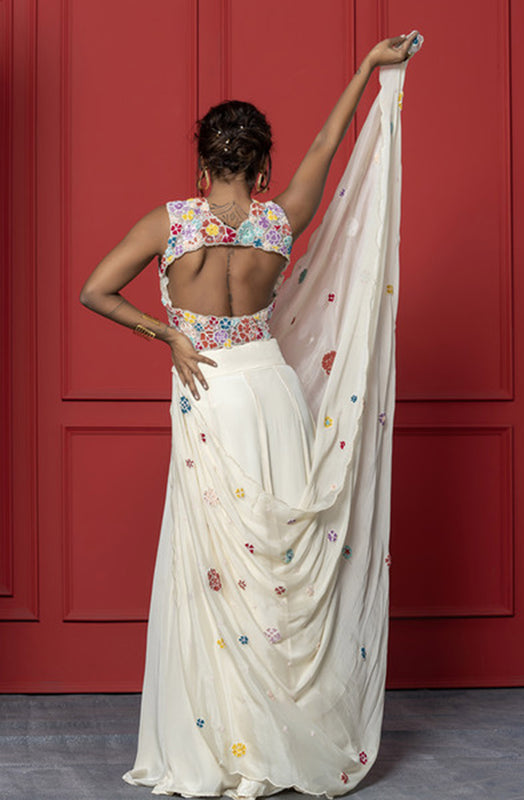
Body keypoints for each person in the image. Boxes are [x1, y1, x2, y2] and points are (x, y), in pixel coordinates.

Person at [80, 31, 421, 800]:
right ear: (263, 170)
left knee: (213, 574)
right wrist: (367, 69)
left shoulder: (170, 224)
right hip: (270, 392)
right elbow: (328, 147)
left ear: (202, 168)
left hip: (208, 391)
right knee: (281, 568)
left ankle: (224, 743)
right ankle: (286, 736)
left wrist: (167, 333)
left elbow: (94, 290)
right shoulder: (279, 220)